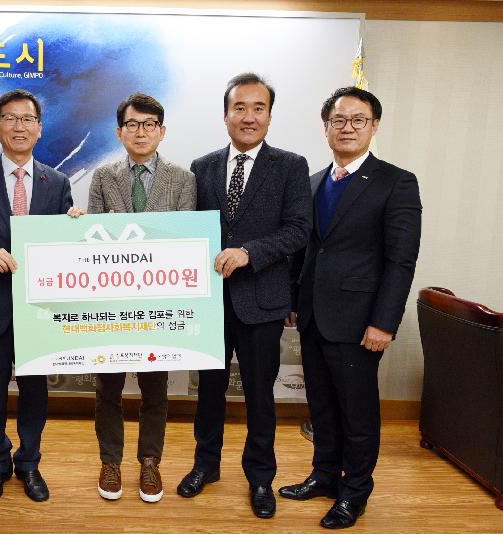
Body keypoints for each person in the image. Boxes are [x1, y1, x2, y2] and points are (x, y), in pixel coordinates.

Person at [279, 87, 421, 529]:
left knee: (357, 413)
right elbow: (305, 248)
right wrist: (294, 300)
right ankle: (324, 476)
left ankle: (355, 492)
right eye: (338, 120)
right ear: (326, 127)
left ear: (374, 126)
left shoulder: (396, 182)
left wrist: (384, 322)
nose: (347, 128)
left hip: (361, 322)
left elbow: (401, 260)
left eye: (358, 120)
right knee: (321, 405)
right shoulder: (312, 181)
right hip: (312, 315)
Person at [176, 73, 312, 519]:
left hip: (263, 301)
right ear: (225, 115)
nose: (248, 116)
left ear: (270, 116)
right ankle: (205, 465)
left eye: (258, 108)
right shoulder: (202, 167)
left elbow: (298, 230)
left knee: (259, 396)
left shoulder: (291, 166)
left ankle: (260, 477)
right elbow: (186, 228)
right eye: (240, 107)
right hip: (209, 303)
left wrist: (250, 252)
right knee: (208, 392)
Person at [0, 89, 79, 506]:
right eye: (10, 118)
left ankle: (29, 463)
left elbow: (65, 249)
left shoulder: (57, 183)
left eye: (27, 119)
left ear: (40, 129)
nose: (19, 126)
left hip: (40, 309)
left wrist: (75, 228)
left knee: (35, 392)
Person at [87, 93, 195, 503]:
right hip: (111, 305)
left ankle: (150, 462)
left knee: (155, 389)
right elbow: (91, 240)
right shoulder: (103, 176)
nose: (141, 132)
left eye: (149, 124)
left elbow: (187, 240)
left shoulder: (183, 179)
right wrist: (85, 224)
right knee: (107, 389)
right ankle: (110, 461)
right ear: (119, 132)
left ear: (161, 131)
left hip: (160, 304)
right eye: (132, 124)